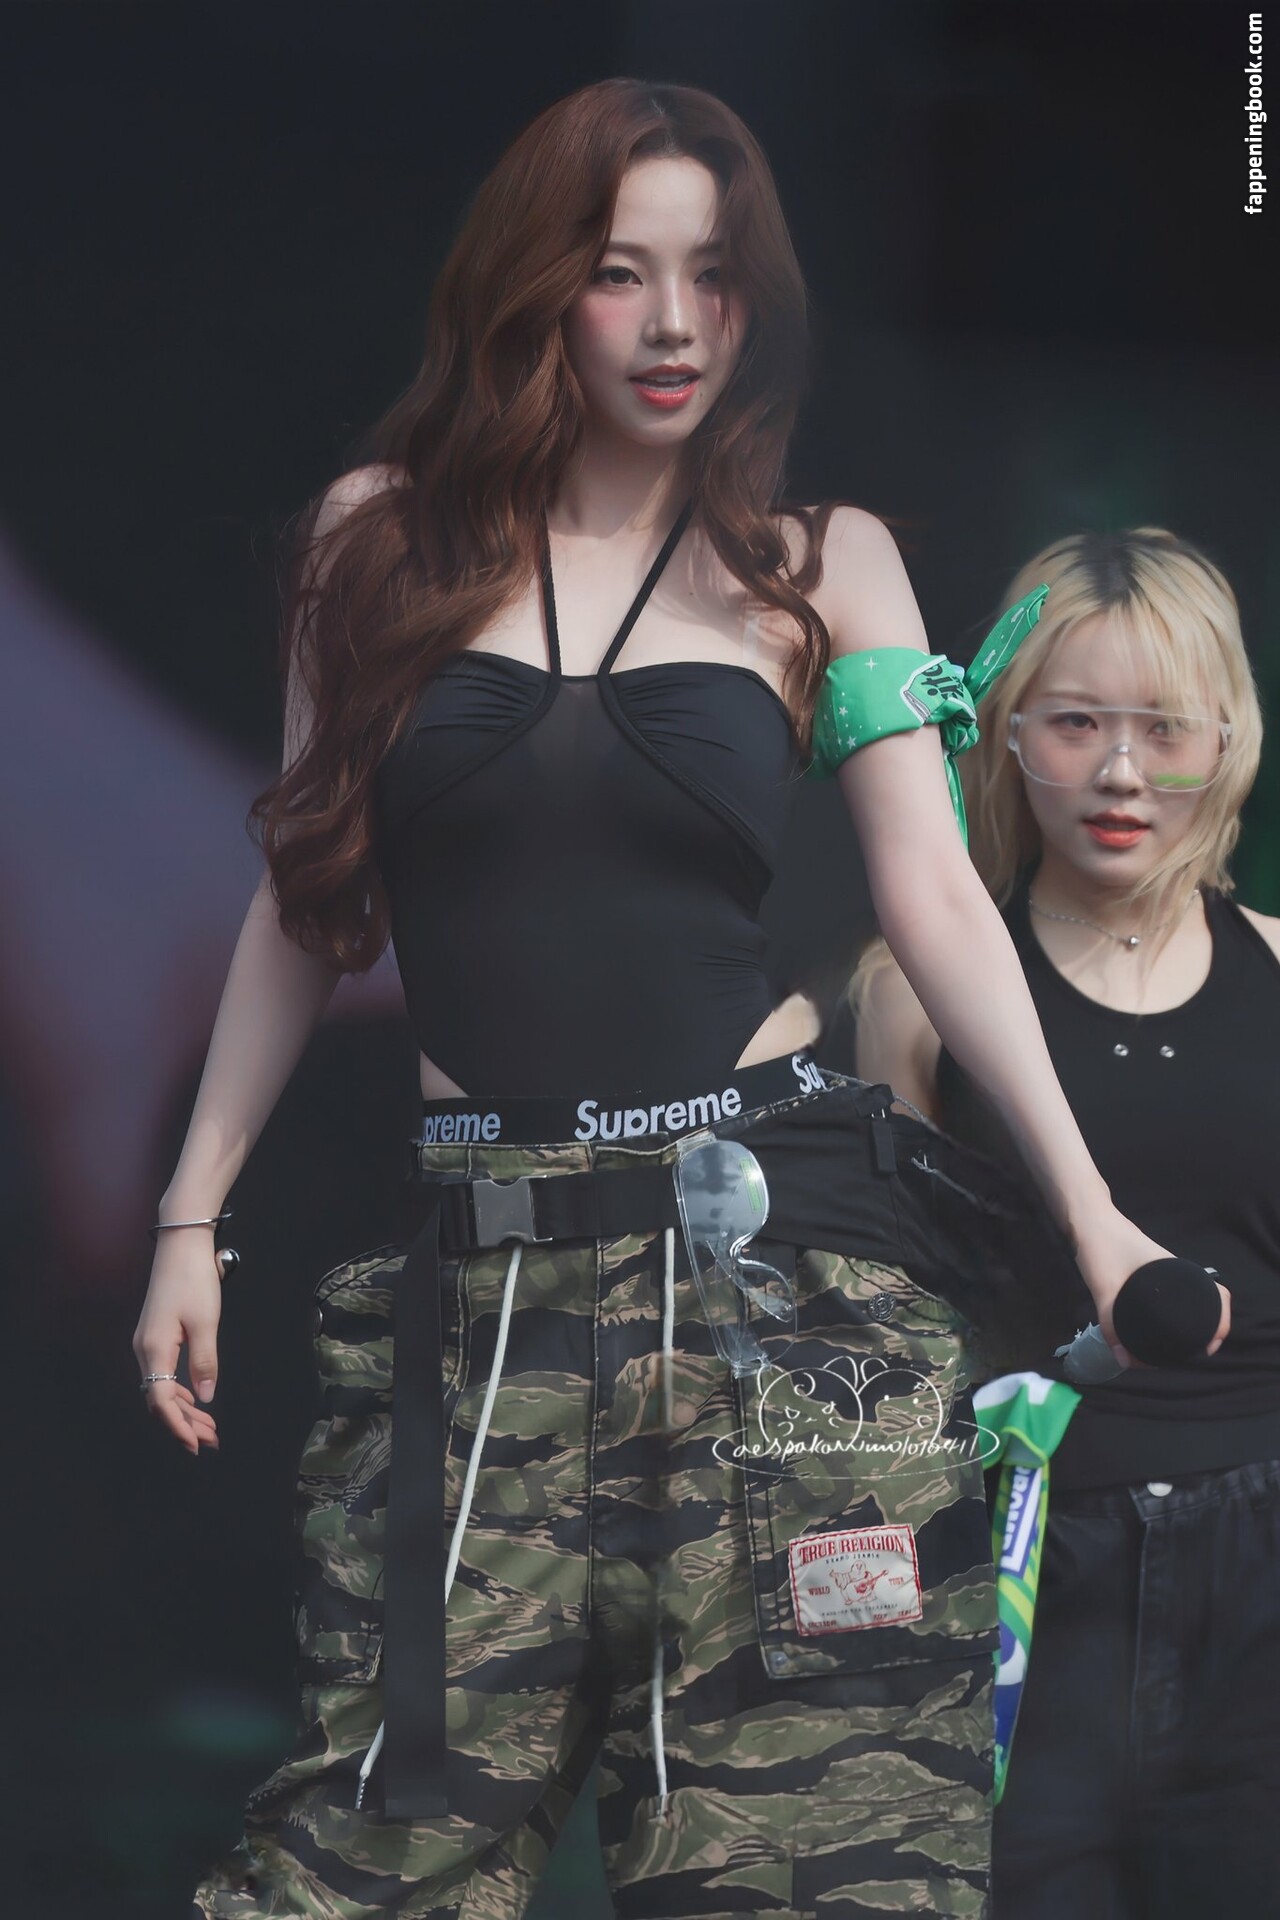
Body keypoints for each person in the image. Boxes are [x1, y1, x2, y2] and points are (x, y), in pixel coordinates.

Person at [133, 82, 1218, 1920]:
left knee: (819, 1865)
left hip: (782, 1278)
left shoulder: (821, 563)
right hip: (483, 1298)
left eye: (712, 277)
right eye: (621, 271)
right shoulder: (375, 541)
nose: (672, 324)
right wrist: (191, 1215)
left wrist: (1095, 1215)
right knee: (371, 1860)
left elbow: (935, 896)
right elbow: (307, 900)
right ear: (537, 288)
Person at [854, 526, 1279, 1916]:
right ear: (1006, 734)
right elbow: (889, 1321)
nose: (1121, 771)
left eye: (1165, 728)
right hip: (1025, 1565)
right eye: (1078, 722)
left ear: (1227, 739)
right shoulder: (910, 995)